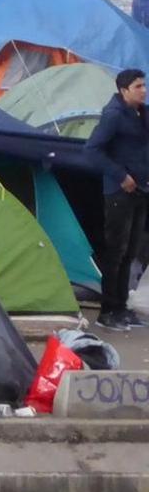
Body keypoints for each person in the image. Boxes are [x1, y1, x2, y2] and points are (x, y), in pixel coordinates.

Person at [85, 68, 149, 330]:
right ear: (124, 91)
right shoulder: (113, 116)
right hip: (119, 192)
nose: (143, 91)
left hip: (141, 191)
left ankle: (122, 307)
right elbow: (92, 150)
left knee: (131, 251)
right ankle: (107, 311)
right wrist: (121, 176)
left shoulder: (142, 113)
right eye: (138, 87)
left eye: (144, 86)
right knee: (116, 251)